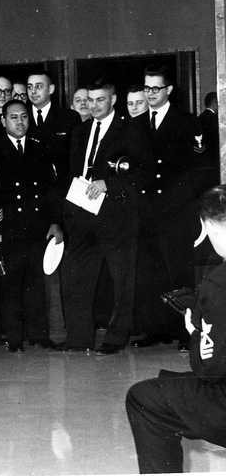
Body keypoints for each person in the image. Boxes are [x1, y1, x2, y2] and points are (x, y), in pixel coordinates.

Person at [126, 185, 226, 474]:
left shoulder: (218, 282)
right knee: (170, 383)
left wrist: (196, 331)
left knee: (145, 398)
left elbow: (208, 369)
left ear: (208, 227)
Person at [60, 80, 154, 354]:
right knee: (75, 275)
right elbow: (72, 172)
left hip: (116, 215)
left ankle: (115, 338)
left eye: (100, 99)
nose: (94, 105)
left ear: (113, 100)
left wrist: (108, 184)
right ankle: (79, 338)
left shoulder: (131, 130)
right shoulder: (80, 130)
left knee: (121, 280)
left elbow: (144, 172)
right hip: (81, 214)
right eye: (89, 100)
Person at [133, 65, 203, 350]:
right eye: (146, 88)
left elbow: (198, 171)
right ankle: (156, 330)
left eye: (155, 89)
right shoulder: (136, 124)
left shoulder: (187, 123)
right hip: (147, 213)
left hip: (177, 213)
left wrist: (173, 203)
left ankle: (187, 334)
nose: (150, 94)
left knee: (180, 275)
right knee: (151, 274)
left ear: (169, 90)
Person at [0, 99, 63, 353]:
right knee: (11, 284)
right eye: (14, 117)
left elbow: (52, 190)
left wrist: (55, 222)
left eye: (24, 117)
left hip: (38, 226)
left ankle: (39, 335)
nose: (20, 122)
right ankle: (14, 337)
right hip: (10, 228)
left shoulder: (39, 148)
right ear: (3, 121)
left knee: (37, 283)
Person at [26, 72, 81, 183]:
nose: (33, 91)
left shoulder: (69, 117)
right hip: (30, 187)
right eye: (29, 87)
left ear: (51, 89)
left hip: (60, 185)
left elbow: (77, 156)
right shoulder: (21, 116)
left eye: (39, 86)